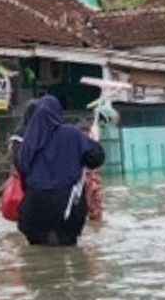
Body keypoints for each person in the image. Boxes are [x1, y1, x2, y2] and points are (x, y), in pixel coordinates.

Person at [15, 95, 106, 247]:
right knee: (67, 249)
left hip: (33, 211)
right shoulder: (72, 134)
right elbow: (97, 158)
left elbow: (22, 168)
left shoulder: (28, 140)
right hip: (67, 209)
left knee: (39, 254)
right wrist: (93, 141)